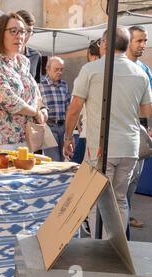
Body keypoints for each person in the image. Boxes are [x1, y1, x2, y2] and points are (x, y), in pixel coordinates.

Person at [64, 26, 152, 238]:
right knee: (120, 200)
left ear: (104, 44)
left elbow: (75, 107)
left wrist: (68, 137)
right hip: (130, 148)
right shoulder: (140, 72)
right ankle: (118, 250)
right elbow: (147, 111)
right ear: (126, 45)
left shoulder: (92, 70)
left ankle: (100, 250)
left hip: (101, 147)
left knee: (97, 199)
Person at [0, 13, 46, 150]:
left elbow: (35, 92)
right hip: (3, 142)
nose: (19, 36)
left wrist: (42, 109)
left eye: (22, 31)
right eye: (13, 31)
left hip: (27, 139)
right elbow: (9, 101)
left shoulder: (24, 62)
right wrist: (35, 112)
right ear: (0, 34)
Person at [126, 25, 152, 230]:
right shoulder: (118, 66)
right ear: (128, 42)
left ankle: (125, 216)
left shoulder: (145, 69)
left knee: (133, 181)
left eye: (145, 41)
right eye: (139, 41)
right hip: (122, 132)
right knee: (119, 185)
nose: (143, 45)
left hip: (140, 131)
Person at [71, 39, 102, 165]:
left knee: (76, 171)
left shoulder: (85, 74)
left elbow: (75, 107)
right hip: (103, 136)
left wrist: (68, 136)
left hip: (88, 134)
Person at [39, 56, 71, 161]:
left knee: (62, 160)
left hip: (63, 126)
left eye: (61, 69)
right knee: (54, 160)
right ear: (47, 69)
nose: (59, 72)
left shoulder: (64, 85)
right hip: (49, 127)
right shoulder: (40, 85)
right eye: (56, 70)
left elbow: (68, 108)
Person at [16, 10, 42, 83]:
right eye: (22, 30)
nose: (25, 35)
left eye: (29, 31)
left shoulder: (36, 56)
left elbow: (37, 86)